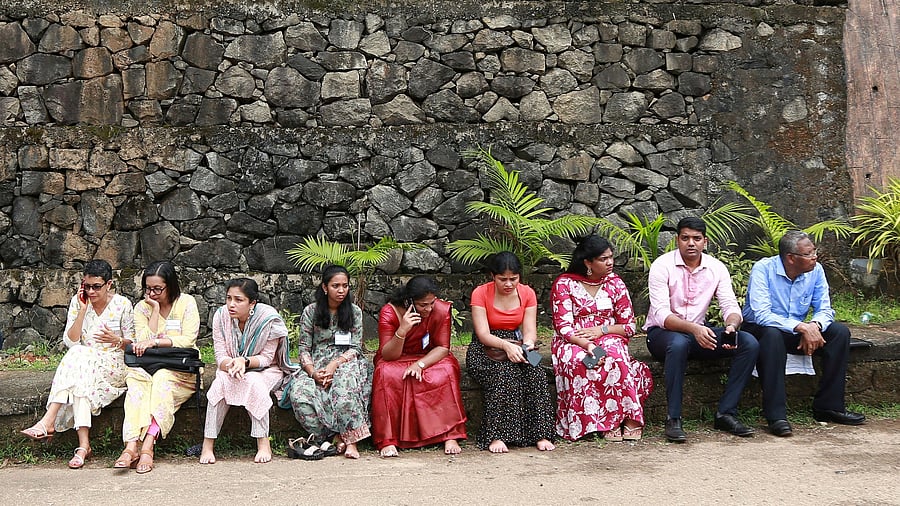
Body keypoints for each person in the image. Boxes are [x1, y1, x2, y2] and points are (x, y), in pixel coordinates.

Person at [644, 217, 760, 443]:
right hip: (661, 335)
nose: (691, 243)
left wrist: (731, 326)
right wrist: (695, 329)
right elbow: (661, 314)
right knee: (678, 343)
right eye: (685, 238)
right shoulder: (662, 265)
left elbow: (730, 306)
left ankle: (725, 413)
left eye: (696, 239)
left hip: (697, 334)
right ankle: (673, 418)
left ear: (705, 241)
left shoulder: (716, 267)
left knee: (748, 342)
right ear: (677, 240)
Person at [742, 230, 865, 436]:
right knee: (772, 335)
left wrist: (814, 326)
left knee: (839, 333)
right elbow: (762, 315)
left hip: (798, 328)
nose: (814, 257)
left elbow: (825, 309)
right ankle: (776, 415)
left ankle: (829, 406)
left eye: (814, 251)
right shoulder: (763, 269)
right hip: (761, 330)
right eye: (808, 254)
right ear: (791, 258)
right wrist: (801, 327)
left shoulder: (816, 270)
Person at [20, 260, 134, 469]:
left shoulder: (122, 305)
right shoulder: (78, 301)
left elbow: (132, 343)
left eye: (96, 286)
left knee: (79, 357)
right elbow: (70, 341)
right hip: (84, 364)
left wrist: (116, 340)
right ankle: (83, 446)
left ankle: (49, 421)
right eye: (86, 286)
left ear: (109, 284)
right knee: (80, 367)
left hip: (113, 364)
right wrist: (82, 310)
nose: (91, 291)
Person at [551, 236, 653, 442]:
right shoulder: (564, 283)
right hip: (573, 339)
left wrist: (602, 330)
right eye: (603, 259)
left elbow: (629, 326)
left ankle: (627, 419)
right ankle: (602, 422)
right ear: (588, 263)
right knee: (578, 362)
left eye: (611, 257)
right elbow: (563, 326)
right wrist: (588, 344)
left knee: (613, 355)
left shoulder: (615, 283)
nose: (610, 263)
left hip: (608, 335)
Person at [115, 260, 200, 473]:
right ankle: (131, 445)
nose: (151, 293)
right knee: (136, 387)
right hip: (146, 367)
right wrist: (154, 310)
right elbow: (142, 341)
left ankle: (148, 445)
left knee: (161, 380)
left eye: (157, 289)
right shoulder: (142, 307)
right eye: (148, 288)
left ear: (170, 286)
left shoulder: (186, 303)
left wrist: (157, 342)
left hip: (179, 369)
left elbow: (188, 340)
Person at [200, 278, 295, 464]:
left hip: (267, 370)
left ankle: (263, 442)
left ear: (252, 303)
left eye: (238, 300)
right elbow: (220, 356)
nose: (231, 304)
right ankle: (207, 444)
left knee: (253, 381)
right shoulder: (220, 316)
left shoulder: (268, 318)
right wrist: (234, 365)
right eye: (228, 298)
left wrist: (244, 361)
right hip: (231, 368)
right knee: (221, 382)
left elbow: (267, 358)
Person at [467, 252, 555, 452]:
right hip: (487, 348)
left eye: (513, 279)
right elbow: (483, 334)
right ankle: (496, 436)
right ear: (493, 276)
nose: (508, 284)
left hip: (518, 343)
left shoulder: (527, 293)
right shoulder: (480, 293)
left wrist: (528, 345)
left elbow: (530, 330)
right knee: (505, 374)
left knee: (536, 372)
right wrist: (506, 346)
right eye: (502, 279)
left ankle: (540, 434)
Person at [371, 275, 468, 457]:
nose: (429, 309)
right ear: (409, 301)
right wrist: (403, 330)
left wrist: (420, 364)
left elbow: (443, 347)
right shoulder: (390, 312)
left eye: (431, 303)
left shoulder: (440, 310)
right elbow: (388, 354)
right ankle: (388, 439)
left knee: (446, 370)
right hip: (396, 357)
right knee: (386, 373)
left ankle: (449, 434)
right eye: (423, 305)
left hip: (428, 357)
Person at [285, 265, 371, 459]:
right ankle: (330, 437)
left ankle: (351, 441)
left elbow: (356, 347)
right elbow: (304, 349)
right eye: (336, 286)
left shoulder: (355, 312)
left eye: (345, 286)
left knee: (344, 388)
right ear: (325, 287)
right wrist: (313, 372)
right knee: (299, 394)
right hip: (316, 363)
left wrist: (334, 365)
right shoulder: (311, 312)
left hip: (347, 361)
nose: (341, 291)